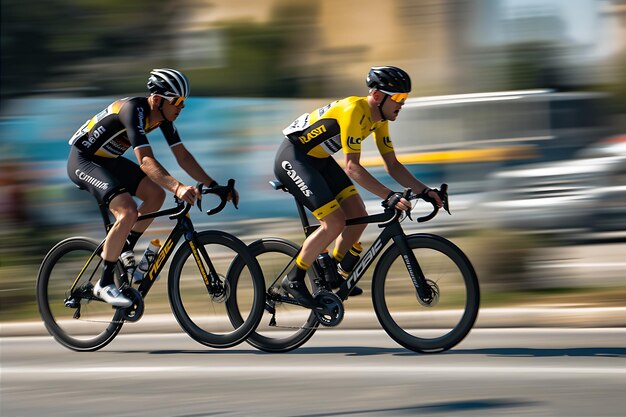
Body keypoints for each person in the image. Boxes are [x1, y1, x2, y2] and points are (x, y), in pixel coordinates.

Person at [67, 68, 238, 307]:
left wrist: (214, 185)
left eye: (183, 102)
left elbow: (183, 157)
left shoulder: (163, 117)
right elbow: (145, 161)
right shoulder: (133, 110)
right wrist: (178, 187)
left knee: (155, 194)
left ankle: (124, 247)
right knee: (126, 211)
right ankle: (104, 283)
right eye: (177, 102)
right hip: (84, 160)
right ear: (157, 100)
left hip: (108, 161)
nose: (181, 107)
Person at [274, 65, 443, 307]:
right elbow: (352, 168)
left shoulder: (380, 120)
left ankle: (333, 273)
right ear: (376, 96)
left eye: (404, 98)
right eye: (397, 97)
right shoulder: (354, 109)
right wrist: (389, 196)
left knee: (358, 216)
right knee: (334, 222)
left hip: (318, 160)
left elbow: (393, 165)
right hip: (294, 158)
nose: (402, 103)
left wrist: (424, 191)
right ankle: (294, 279)